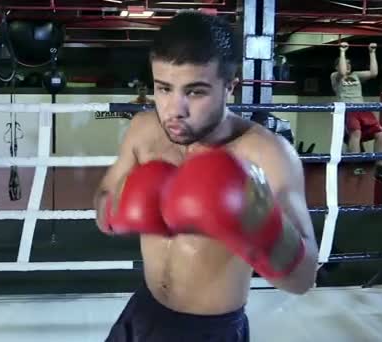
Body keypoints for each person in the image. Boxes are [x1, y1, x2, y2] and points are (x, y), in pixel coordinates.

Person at [93, 12, 318, 342]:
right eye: (164, 88)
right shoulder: (143, 131)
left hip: (212, 331)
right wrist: (117, 207)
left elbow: (304, 279)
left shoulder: (267, 155)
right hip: (143, 310)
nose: (174, 109)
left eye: (195, 92)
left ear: (230, 86)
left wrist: (259, 224)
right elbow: (102, 205)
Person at [330, 42, 382, 183]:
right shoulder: (335, 76)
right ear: (337, 66)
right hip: (348, 109)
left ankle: (380, 169)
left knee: (381, 134)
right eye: (344, 63)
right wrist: (342, 51)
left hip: (363, 108)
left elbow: (374, 73)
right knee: (356, 133)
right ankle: (356, 164)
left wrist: (372, 53)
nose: (347, 66)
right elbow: (342, 72)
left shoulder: (356, 75)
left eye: (349, 64)